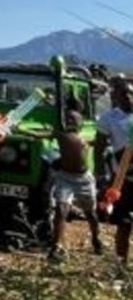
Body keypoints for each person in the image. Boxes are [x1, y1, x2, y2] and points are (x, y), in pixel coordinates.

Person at [41, 111, 102, 259]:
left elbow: (99, 143)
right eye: (68, 119)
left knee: (90, 213)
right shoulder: (61, 135)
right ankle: (56, 246)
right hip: (65, 177)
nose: (70, 121)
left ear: (81, 123)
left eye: (74, 119)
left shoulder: (84, 138)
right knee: (61, 210)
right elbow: (40, 134)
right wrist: (20, 130)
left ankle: (96, 238)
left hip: (84, 180)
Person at [94, 77, 133, 268]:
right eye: (124, 94)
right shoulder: (108, 118)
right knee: (124, 223)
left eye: (131, 93)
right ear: (116, 97)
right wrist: (100, 175)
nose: (129, 97)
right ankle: (121, 266)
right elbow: (99, 148)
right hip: (123, 179)